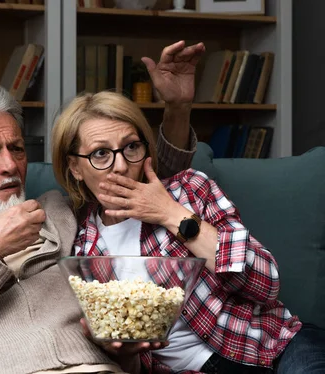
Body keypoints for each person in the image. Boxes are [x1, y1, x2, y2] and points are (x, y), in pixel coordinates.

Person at [0, 41, 205, 374]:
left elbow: (148, 183)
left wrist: (177, 108)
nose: (10, 165)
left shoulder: (62, 211)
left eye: (17, 148)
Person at [51, 90, 325, 374]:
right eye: (101, 154)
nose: (121, 165)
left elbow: (266, 284)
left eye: (131, 146)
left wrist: (169, 213)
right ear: (75, 167)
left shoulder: (188, 190)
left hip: (276, 347)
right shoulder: (80, 247)